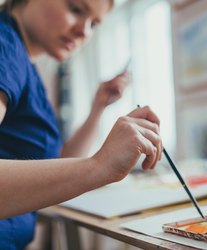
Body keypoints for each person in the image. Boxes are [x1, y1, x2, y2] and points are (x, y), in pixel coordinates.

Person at [0, 0, 163, 249]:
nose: (85, 32)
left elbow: (56, 165)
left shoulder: (22, 60)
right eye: (76, 9)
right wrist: (98, 166)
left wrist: (98, 108)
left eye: (94, 24)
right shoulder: (5, 48)